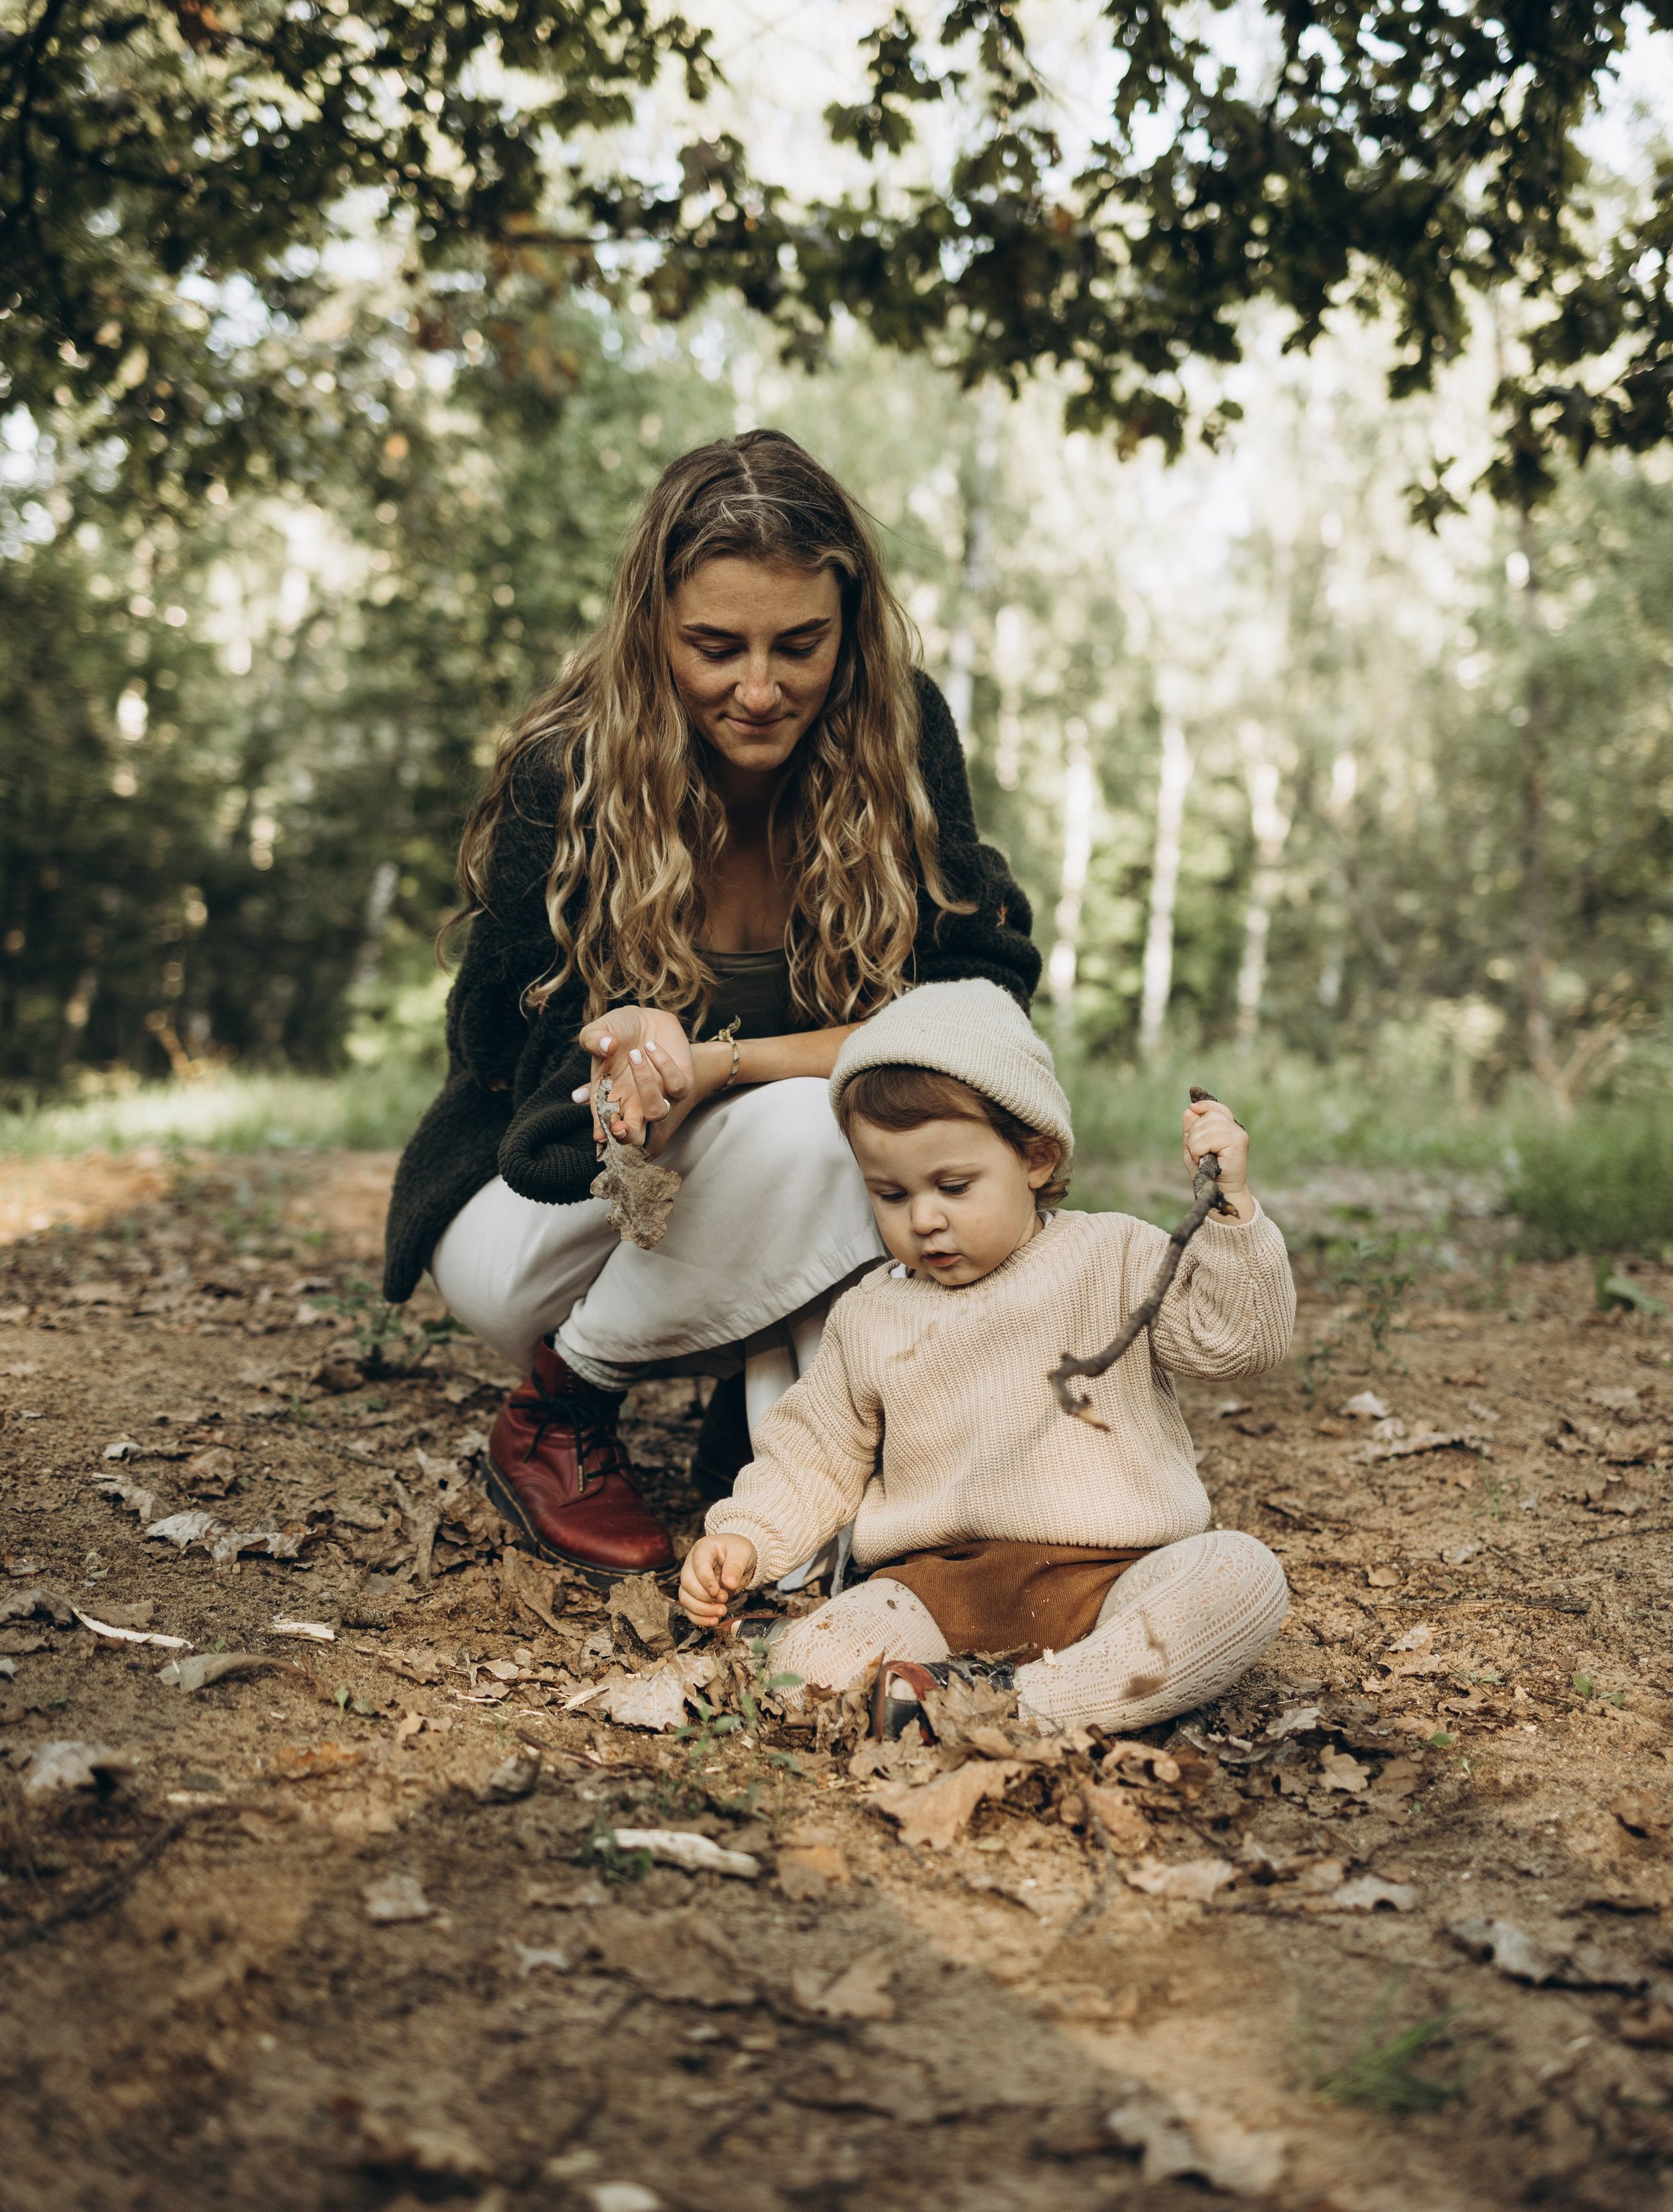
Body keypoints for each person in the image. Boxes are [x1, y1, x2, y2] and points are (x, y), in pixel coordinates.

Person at [381, 434, 1040, 1585]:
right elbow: (490, 1050)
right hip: (542, 1216)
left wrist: (723, 1063)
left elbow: (971, 1005)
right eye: (714, 647)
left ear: (851, 626)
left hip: (776, 1182)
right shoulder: (570, 765)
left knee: (882, 1111)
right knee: (816, 1123)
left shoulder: (899, 732)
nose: (759, 688)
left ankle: (784, 1437)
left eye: (801, 645)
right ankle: (561, 1410)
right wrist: (616, 1049)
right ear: (653, 630)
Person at [678, 980, 1295, 1735]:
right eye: (890, 1194)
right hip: (939, 1588)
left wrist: (1230, 1212)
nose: (926, 1219)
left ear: (1035, 1156)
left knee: (1239, 1576)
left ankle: (1021, 1707)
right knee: (810, 1666)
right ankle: (933, 1689)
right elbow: (814, 1455)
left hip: (1114, 1580)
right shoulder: (871, 1314)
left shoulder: (1112, 1256)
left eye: (953, 1185)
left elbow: (1239, 1343)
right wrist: (745, 1535)